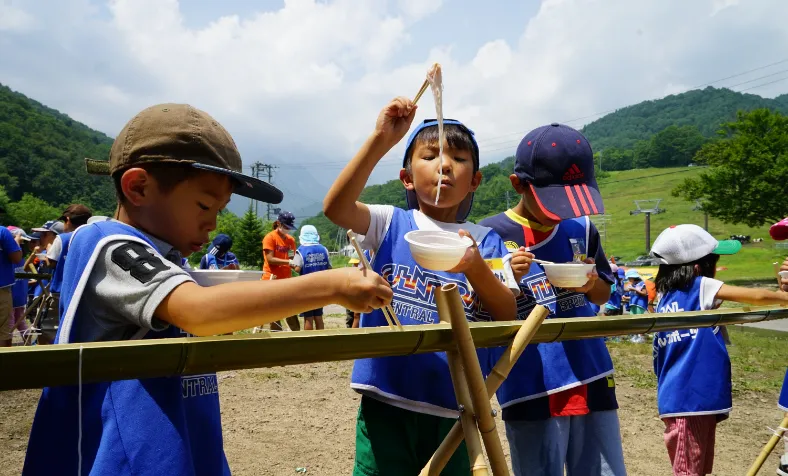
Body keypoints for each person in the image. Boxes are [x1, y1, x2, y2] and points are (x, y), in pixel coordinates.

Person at [23, 103, 393, 475]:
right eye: (203, 205)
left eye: (221, 208)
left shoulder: (169, 260)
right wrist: (331, 285)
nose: (212, 223)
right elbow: (196, 311)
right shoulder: (108, 243)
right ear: (138, 187)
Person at [324, 97, 518, 475]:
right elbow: (336, 207)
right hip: (387, 398)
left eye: (459, 159)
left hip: (457, 408)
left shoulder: (486, 240)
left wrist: (475, 266)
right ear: (407, 177)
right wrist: (381, 139)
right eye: (430, 156)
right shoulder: (389, 223)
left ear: (475, 180)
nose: (445, 165)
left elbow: (506, 312)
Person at [479, 123, 625, 476]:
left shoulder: (583, 229)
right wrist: (506, 274)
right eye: (553, 203)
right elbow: (483, 308)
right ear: (517, 184)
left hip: (591, 370)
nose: (562, 213)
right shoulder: (491, 235)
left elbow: (605, 291)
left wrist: (589, 284)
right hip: (529, 381)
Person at [651, 224, 788, 476]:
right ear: (697, 267)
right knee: (689, 471)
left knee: (695, 466)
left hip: (683, 397)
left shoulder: (667, 295)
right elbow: (755, 297)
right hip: (690, 398)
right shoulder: (700, 286)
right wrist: (782, 296)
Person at [261, 210, 300, 331]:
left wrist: (297, 266)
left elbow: (292, 258)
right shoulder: (270, 238)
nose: (287, 229)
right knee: (274, 312)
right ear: (278, 223)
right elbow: (270, 259)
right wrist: (288, 262)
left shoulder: (291, 240)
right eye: (285, 226)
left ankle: (295, 335)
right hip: (271, 279)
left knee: (291, 311)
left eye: (289, 227)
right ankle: (276, 336)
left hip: (286, 280)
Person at [291, 225, 331, 330]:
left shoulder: (301, 250)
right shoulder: (324, 249)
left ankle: (308, 341)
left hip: (306, 288)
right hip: (322, 288)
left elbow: (297, 269)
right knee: (318, 316)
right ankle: (321, 340)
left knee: (308, 318)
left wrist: (291, 264)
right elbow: (329, 267)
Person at [7, 226, 33, 341]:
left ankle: (7, 349)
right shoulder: (21, 257)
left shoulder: (11, 258)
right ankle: (28, 343)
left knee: (9, 323)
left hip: (13, 296)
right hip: (20, 296)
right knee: (20, 321)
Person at [0, 225, 24, 347]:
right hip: (1, 289)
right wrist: (17, 243)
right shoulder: (2, 232)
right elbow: (17, 258)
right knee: (3, 332)